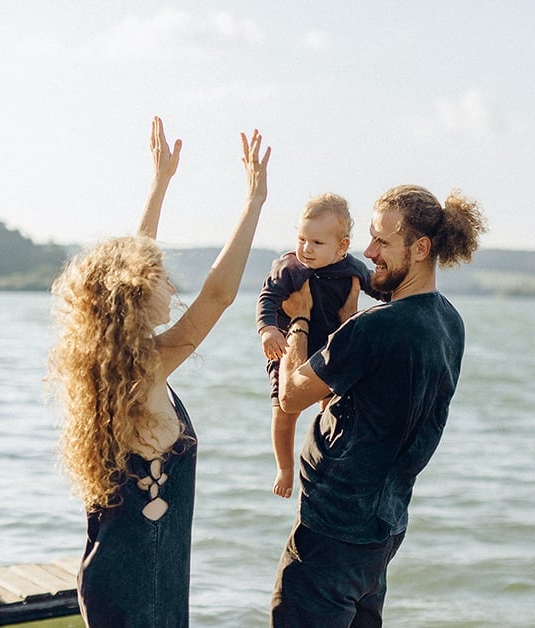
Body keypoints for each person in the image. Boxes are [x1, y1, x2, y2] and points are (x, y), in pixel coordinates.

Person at [49, 116, 270, 627]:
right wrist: (254, 202)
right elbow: (218, 295)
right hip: (139, 589)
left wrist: (160, 183)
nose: (171, 286)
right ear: (132, 296)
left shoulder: (107, 367)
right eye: (160, 279)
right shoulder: (143, 367)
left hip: (117, 577)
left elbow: (130, 264)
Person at [270, 184, 487, 626]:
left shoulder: (375, 328)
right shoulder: (448, 321)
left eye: (383, 242)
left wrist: (299, 317)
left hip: (332, 530)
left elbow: (291, 395)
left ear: (420, 248)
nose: (369, 252)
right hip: (382, 528)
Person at [256, 193, 386, 499]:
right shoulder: (290, 268)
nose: (306, 249)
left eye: (317, 243)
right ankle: (285, 468)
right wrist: (268, 330)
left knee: (332, 406)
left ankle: (327, 457)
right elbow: (268, 298)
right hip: (288, 350)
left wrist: (397, 300)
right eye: (302, 238)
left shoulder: (352, 269)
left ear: (341, 246)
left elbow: (378, 290)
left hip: (327, 351)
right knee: (283, 411)